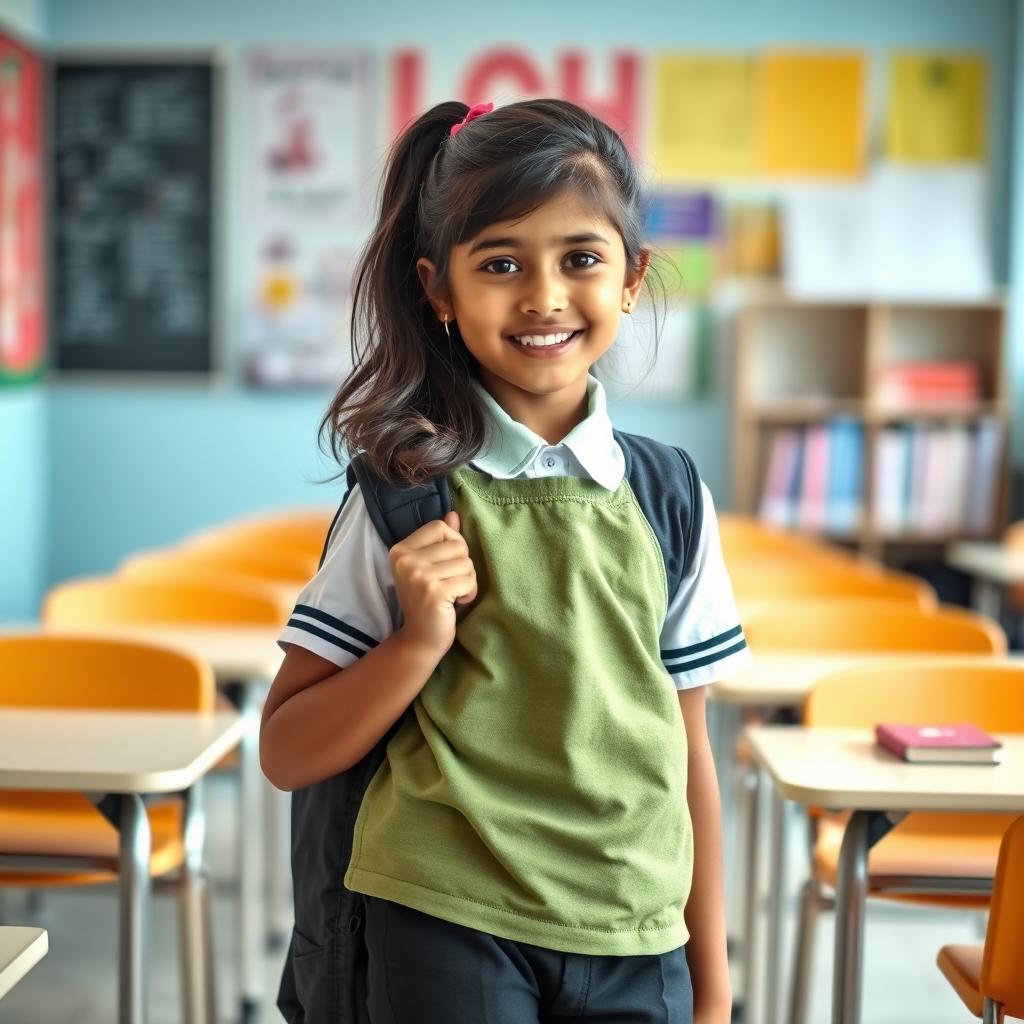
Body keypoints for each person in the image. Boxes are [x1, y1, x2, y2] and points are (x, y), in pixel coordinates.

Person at [260, 97, 752, 1024]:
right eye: (499, 263)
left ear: (633, 277)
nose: (543, 296)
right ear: (438, 289)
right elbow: (286, 751)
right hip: (444, 913)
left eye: (581, 258)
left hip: (633, 928)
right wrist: (414, 644)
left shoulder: (670, 496)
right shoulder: (406, 496)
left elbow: (689, 749)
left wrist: (714, 985)